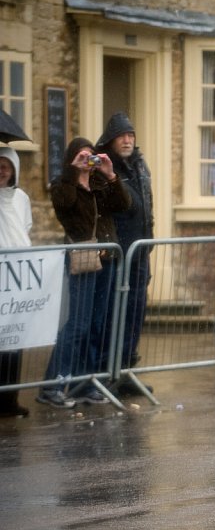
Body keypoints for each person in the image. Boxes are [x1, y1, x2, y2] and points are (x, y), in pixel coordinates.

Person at [36, 138, 130, 408]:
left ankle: (82, 384)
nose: (87, 161)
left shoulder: (100, 182)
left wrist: (110, 173)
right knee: (77, 323)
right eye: (81, 157)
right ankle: (52, 385)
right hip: (82, 258)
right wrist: (74, 174)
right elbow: (64, 208)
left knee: (96, 325)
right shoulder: (63, 185)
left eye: (90, 156)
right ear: (71, 159)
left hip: (107, 257)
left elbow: (123, 205)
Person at [95, 113, 153, 391]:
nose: (128, 140)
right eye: (122, 136)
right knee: (112, 314)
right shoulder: (104, 167)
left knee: (135, 313)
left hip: (140, 251)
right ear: (111, 139)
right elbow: (117, 206)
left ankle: (127, 370)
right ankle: (108, 372)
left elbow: (147, 205)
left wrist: (150, 238)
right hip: (117, 253)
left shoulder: (140, 164)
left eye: (131, 135)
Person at [0, 147, 33, 417]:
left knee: (14, 340)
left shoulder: (21, 198)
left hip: (18, 277)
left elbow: (26, 228)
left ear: (14, 170)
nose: (1, 170)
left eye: (6, 165)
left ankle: (10, 400)